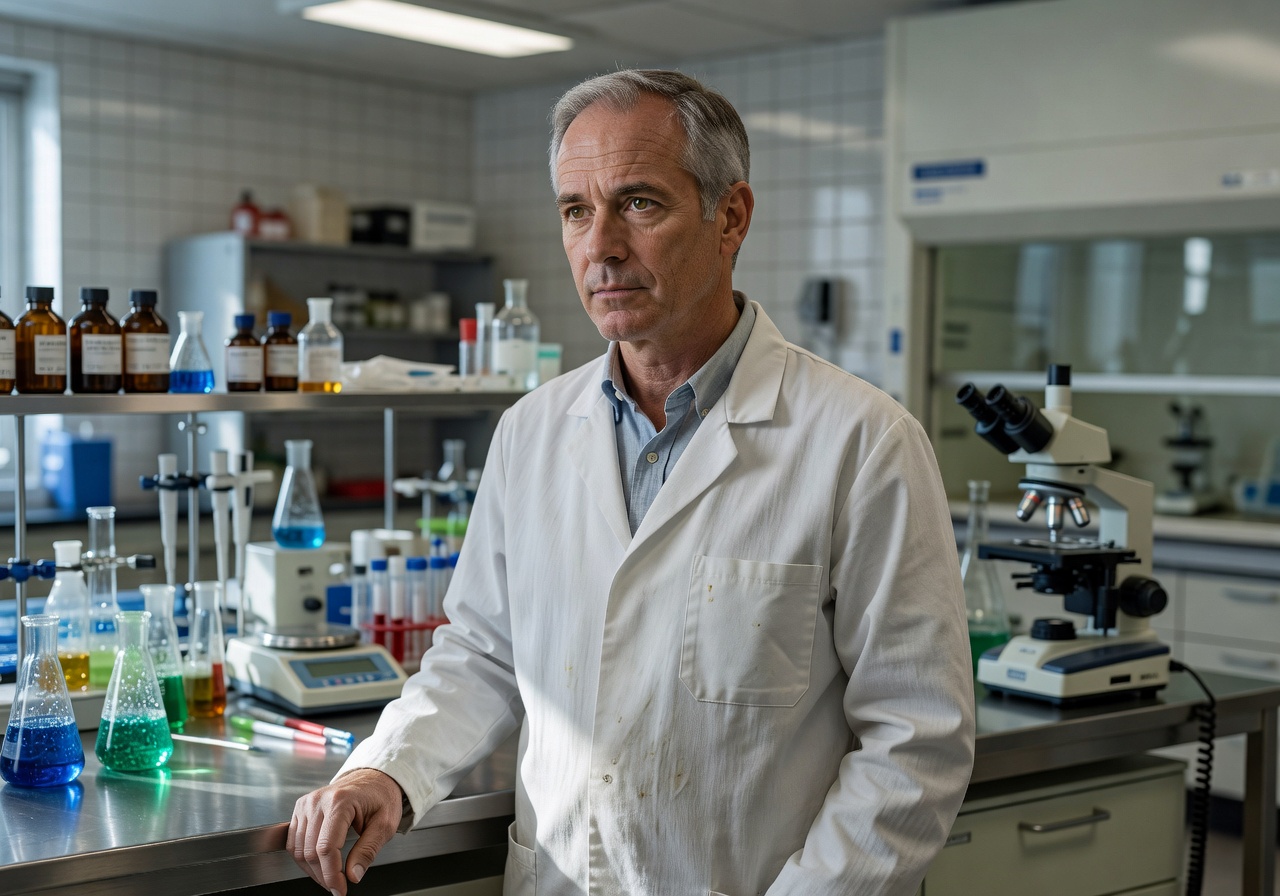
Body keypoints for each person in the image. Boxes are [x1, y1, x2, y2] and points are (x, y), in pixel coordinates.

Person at [289, 68, 975, 896]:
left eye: (639, 203)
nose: (601, 246)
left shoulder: (861, 442)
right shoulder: (532, 432)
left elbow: (915, 738)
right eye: (577, 211)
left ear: (732, 218)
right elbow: (482, 655)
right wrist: (386, 771)